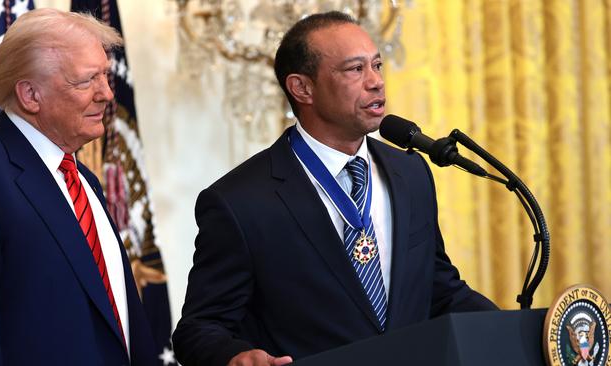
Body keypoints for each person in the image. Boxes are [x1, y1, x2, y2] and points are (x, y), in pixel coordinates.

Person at [172, 11, 497, 366]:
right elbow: (199, 329)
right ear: (302, 88)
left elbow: (439, 289)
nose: (376, 82)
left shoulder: (411, 172)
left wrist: (516, 328)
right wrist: (236, 357)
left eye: (376, 65)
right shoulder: (239, 202)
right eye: (355, 70)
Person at [0, 8, 156, 365]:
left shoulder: (83, 179)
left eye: (105, 76)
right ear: (30, 95)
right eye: (87, 81)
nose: (107, 94)